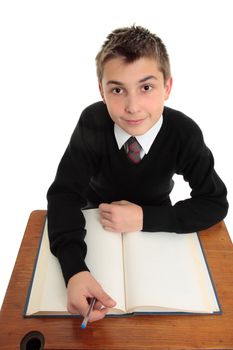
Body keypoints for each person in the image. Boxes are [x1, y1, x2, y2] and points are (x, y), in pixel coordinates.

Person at [47, 25, 228, 323]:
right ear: (101, 91)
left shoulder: (183, 133)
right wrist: (74, 270)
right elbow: (64, 194)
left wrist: (145, 218)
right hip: (96, 219)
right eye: (117, 90)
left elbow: (214, 202)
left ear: (167, 87)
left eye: (146, 87)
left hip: (157, 225)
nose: (132, 107)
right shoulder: (92, 122)